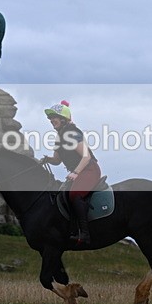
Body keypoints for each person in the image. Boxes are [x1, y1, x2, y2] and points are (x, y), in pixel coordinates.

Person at [40, 100, 101, 246]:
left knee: (75, 194)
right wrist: (47, 159)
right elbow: (57, 160)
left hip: (89, 169)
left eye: (53, 117)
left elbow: (86, 156)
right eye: (50, 118)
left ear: (63, 119)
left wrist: (75, 172)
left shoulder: (72, 133)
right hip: (79, 172)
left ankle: (85, 234)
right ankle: (71, 230)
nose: (51, 120)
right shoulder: (59, 137)